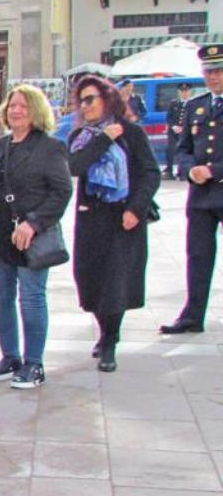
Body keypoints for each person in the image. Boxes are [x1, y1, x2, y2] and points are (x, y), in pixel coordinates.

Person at [0, 85, 73, 389]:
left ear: (37, 112)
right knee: (0, 298)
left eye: (24, 107)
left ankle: (34, 363)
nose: (16, 111)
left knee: (31, 298)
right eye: (12, 105)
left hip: (30, 239)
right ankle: (10, 356)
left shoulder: (50, 147)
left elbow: (61, 192)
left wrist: (33, 223)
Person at [67, 75, 160, 371]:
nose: (85, 105)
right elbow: (74, 167)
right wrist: (104, 137)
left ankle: (110, 340)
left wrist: (136, 208)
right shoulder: (80, 136)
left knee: (116, 281)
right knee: (89, 279)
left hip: (124, 217)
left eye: (90, 98)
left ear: (107, 99)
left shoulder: (132, 132)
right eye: (81, 100)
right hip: (91, 216)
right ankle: (104, 328)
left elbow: (150, 172)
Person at [163, 46, 223, 335]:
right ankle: (192, 315)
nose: (212, 77)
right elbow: (183, 147)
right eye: (208, 71)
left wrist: (214, 170)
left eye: (218, 71)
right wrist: (189, 169)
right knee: (198, 256)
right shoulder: (197, 106)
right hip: (201, 195)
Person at [166, 82, 194, 179]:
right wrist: (174, 126)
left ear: (190, 91)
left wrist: (185, 128)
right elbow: (169, 117)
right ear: (179, 92)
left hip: (186, 132)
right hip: (174, 132)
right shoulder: (174, 103)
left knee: (184, 152)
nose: (184, 93)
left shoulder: (193, 103)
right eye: (182, 91)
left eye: (186, 91)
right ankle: (169, 171)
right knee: (171, 150)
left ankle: (182, 172)